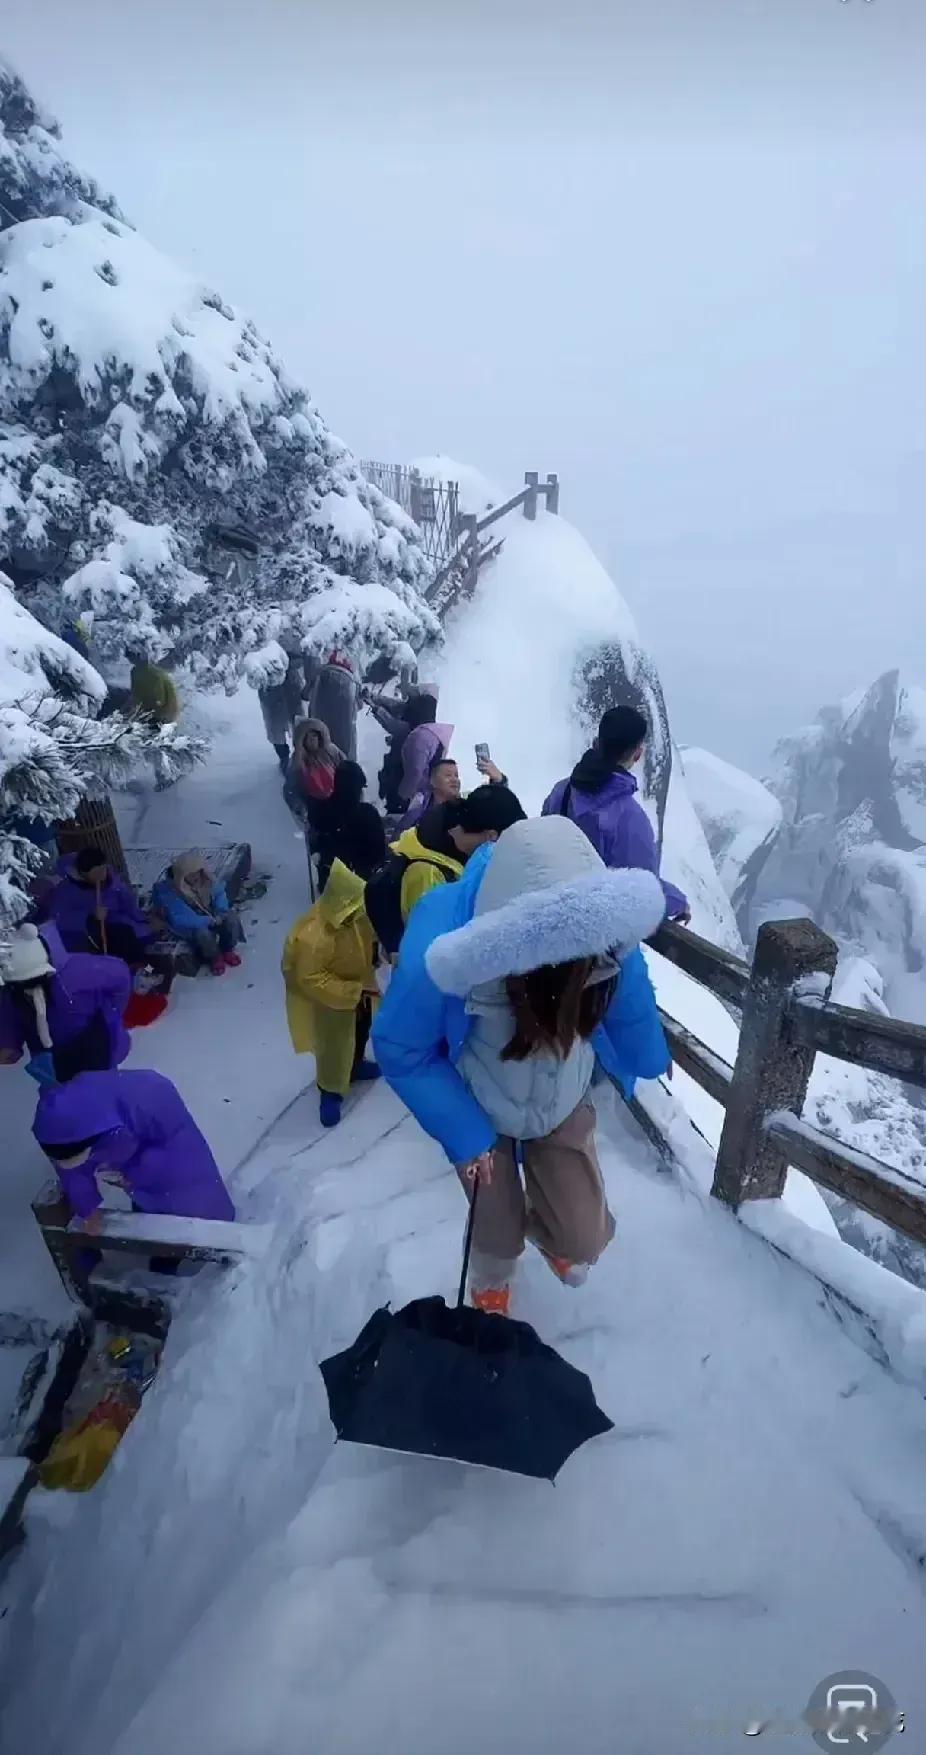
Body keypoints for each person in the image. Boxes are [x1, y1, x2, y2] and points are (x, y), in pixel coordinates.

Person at [372, 815, 670, 1315]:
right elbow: (402, 1049)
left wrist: (644, 1056)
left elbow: (630, 997)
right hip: (478, 1103)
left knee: (584, 1236)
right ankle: (493, 1276)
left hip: (561, 1096)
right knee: (496, 1220)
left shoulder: (602, 935)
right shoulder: (444, 953)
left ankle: (554, 1238)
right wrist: (466, 1134)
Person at [33, 1068, 235, 1240]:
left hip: (172, 1160)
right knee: (150, 1205)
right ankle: (161, 1242)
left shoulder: (149, 1094)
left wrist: (135, 1175)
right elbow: (72, 1171)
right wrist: (87, 1209)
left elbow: (178, 1155)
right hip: (129, 1155)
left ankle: (221, 1237)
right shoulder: (58, 1131)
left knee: (194, 1198)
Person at [543, 706, 690, 922]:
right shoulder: (630, 819)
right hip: (591, 934)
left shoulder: (561, 791)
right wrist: (678, 902)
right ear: (637, 754)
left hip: (549, 915)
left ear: (597, 742)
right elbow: (643, 891)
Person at [282, 858, 382, 1129]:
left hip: (360, 989)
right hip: (331, 1002)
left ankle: (356, 1064)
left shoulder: (355, 916)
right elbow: (310, 978)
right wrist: (349, 991)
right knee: (333, 1045)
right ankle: (330, 1089)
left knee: (360, 1031)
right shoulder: (314, 937)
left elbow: (369, 936)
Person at [0, 921, 131, 1083]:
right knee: (58, 1100)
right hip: (48, 1058)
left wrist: (114, 1011)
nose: (26, 989)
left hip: (94, 1045)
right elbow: (9, 1013)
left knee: (101, 1092)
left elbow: (121, 976)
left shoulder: (82, 971)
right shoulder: (12, 989)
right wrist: (9, 1043)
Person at [151, 853, 243, 976]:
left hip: (210, 915)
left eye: (197, 872)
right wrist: (207, 920)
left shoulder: (208, 880)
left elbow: (219, 894)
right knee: (202, 933)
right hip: (191, 925)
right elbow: (181, 917)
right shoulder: (170, 892)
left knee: (231, 918)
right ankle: (214, 956)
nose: (195, 876)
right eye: (190, 874)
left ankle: (227, 948)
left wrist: (221, 912)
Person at [128, 648, 180, 790]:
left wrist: (146, 713)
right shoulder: (135, 672)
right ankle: (167, 772)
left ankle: (166, 776)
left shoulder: (154, 674)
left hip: (163, 713)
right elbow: (135, 695)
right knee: (151, 745)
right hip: (150, 713)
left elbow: (160, 699)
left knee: (156, 745)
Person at [397, 695, 454, 814]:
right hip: (427, 793)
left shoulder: (419, 736)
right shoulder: (436, 734)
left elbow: (416, 770)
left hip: (416, 794)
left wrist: (403, 795)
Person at [284, 719, 344, 820]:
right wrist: (299, 806)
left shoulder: (331, 751)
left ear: (320, 737)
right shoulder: (297, 760)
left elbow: (346, 769)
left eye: (314, 736)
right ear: (301, 741)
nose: (311, 740)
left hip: (338, 799)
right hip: (313, 806)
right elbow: (290, 787)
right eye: (306, 737)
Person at [307, 652, 360, 761]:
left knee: (322, 750)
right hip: (344, 730)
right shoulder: (351, 682)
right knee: (344, 753)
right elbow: (358, 706)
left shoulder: (319, 676)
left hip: (319, 726)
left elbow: (305, 695)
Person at [259, 651, 306, 773]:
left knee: (300, 726)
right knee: (276, 730)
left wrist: (286, 664)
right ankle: (284, 758)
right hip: (271, 694)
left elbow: (302, 657)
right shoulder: (259, 644)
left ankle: (302, 756)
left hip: (292, 689)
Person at [395, 755, 462, 833]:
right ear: (432, 781)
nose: (454, 779)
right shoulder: (418, 814)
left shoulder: (466, 812)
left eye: (456, 775)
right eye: (448, 775)